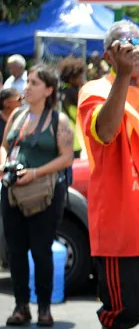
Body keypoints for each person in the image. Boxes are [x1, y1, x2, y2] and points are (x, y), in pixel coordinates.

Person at [76, 21, 139, 329]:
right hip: (124, 228)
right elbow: (105, 131)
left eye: (137, 41)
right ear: (109, 55)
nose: (133, 48)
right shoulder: (95, 90)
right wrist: (122, 77)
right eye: (124, 44)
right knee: (120, 318)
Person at [1, 64, 75, 326]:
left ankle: (44, 308)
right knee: (16, 251)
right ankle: (21, 307)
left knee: (41, 251)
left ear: (48, 90)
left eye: (34, 82)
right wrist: (2, 165)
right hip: (12, 194)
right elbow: (4, 146)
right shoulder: (17, 116)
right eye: (28, 81)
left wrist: (35, 173)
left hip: (44, 195)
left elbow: (67, 158)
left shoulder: (59, 120)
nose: (28, 87)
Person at [58, 57, 86, 158]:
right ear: (71, 78)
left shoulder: (61, 89)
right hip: (75, 139)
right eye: (79, 77)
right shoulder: (73, 92)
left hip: (64, 135)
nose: (81, 79)